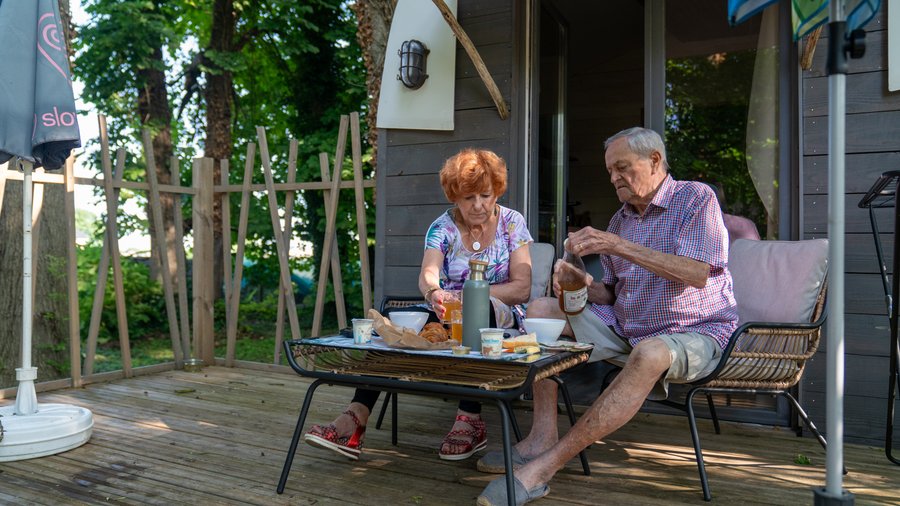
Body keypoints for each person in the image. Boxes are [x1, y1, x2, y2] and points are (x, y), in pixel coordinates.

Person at [475, 127, 739, 505]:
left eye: (621, 167)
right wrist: (581, 283)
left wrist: (617, 245)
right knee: (542, 309)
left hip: (695, 332)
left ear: (654, 160)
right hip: (628, 328)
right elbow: (612, 294)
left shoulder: (695, 199)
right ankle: (541, 436)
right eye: (610, 171)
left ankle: (544, 468)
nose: (614, 178)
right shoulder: (621, 219)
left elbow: (696, 273)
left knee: (649, 352)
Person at [304, 148, 534, 462]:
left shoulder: (512, 223)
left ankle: (470, 420)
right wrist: (434, 293)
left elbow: (522, 288)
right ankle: (355, 419)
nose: (479, 205)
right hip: (449, 311)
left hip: (501, 315)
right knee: (392, 322)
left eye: (486, 195)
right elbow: (428, 274)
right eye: (469, 198)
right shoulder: (443, 227)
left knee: (478, 311)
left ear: (497, 192)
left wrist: (471, 297)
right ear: (455, 196)